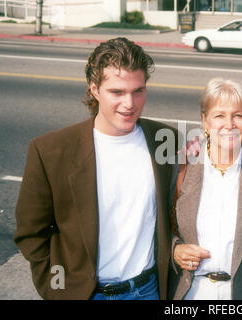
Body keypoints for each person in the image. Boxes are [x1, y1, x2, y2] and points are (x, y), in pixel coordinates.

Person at [13, 37, 176, 300]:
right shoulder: (50, 151)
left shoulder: (166, 139)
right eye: (117, 92)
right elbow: (30, 233)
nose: (130, 103)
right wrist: (57, 288)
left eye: (138, 90)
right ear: (94, 89)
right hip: (87, 294)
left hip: (149, 290)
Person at [168, 78, 242, 300]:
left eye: (238, 115)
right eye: (219, 115)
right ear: (205, 122)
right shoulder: (180, 168)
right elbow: (157, 229)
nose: (229, 124)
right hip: (190, 293)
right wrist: (174, 249)